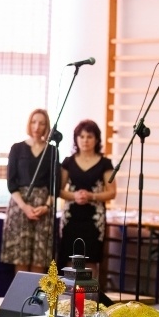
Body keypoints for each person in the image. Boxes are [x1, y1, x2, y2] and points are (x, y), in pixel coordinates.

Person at [0, 109, 59, 273]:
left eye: (41, 123)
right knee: (21, 256)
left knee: (41, 257)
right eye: (34, 122)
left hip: (43, 207)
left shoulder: (52, 150)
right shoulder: (17, 148)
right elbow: (11, 183)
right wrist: (25, 207)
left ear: (47, 126)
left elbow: (56, 185)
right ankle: (21, 298)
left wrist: (46, 206)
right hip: (21, 205)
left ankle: (37, 298)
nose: (37, 126)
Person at [58, 119, 116, 278]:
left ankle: (89, 300)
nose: (85, 140)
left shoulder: (105, 163)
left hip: (94, 219)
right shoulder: (68, 162)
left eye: (89, 136)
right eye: (81, 136)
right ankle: (69, 300)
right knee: (71, 261)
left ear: (96, 139)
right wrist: (74, 196)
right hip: (72, 217)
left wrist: (92, 196)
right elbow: (60, 191)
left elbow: (112, 192)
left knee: (90, 261)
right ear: (76, 139)